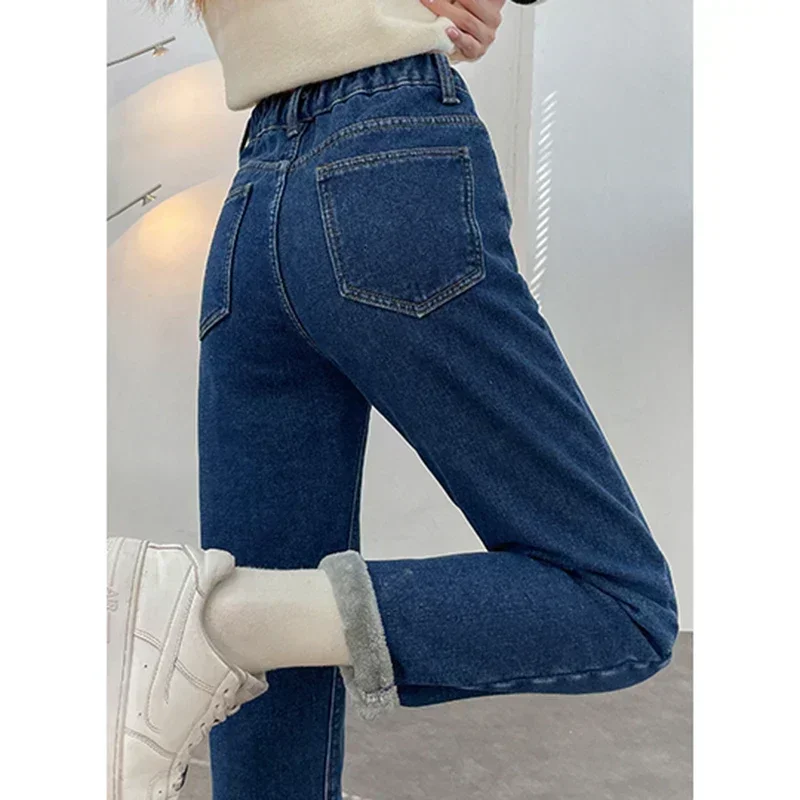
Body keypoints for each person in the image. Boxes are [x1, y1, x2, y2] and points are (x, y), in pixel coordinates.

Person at [107, 1, 680, 798]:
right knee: (620, 599)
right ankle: (218, 618)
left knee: (274, 682)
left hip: (253, 208)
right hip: (390, 159)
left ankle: (211, 620)